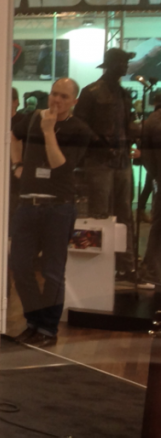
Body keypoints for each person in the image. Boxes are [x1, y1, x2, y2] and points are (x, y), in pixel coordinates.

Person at [10, 78, 92, 347]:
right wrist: (17, 164)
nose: (57, 100)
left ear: (74, 101)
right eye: (54, 94)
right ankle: (34, 321)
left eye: (64, 96)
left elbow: (59, 164)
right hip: (28, 204)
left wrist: (48, 132)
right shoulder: (34, 117)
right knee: (20, 266)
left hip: (59, 207)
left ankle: (47, 329)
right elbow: (13, 134)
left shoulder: (79, 130)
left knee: (52, 271)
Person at [73, 47, 137, 277]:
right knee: (99, 214)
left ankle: (126, 265)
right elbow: (80, 124)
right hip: (99, 161)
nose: (126, 66)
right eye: (122, 62)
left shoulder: (124, 93)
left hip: (122, 161)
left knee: (125, 213)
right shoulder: (91, 92)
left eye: (126, 62)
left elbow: (127, 123)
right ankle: (97, 267)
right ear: (112, 64)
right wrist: (101, 145)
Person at [140, 92, 161, 287]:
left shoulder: (152, 120)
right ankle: (152, 271)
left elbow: (146, 156)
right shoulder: (156, 121)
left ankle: (150, 268)